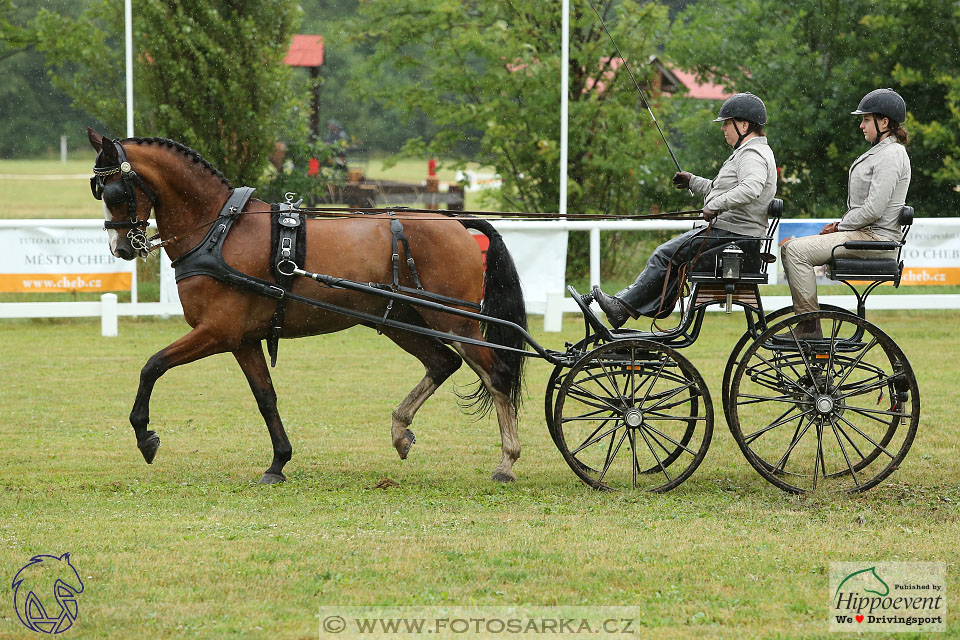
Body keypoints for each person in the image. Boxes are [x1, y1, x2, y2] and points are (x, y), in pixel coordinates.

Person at [592, 92, 778, 328]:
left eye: (726, 124)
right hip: (733, 235)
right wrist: (692, 181)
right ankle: (630, 306)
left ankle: (623, 308)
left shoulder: (752, 154)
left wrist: (714, 205)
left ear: (743, 124)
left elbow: (750, 189)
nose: (723, 129)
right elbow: (718, 189)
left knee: (665, 254)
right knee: (670, 256)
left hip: (734, 237)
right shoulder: (748, 152)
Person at [780, 88, 911, 339]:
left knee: (795, 250)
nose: (861, 125)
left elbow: (874, 209)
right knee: (789, 248)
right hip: (863, 233)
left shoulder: (892, 154)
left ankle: (809, 326)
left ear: (884, 122)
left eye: (865, 119)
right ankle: (808, 321)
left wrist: (840, 227)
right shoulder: (882, 152)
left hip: (875, 239)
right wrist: (842, 226)